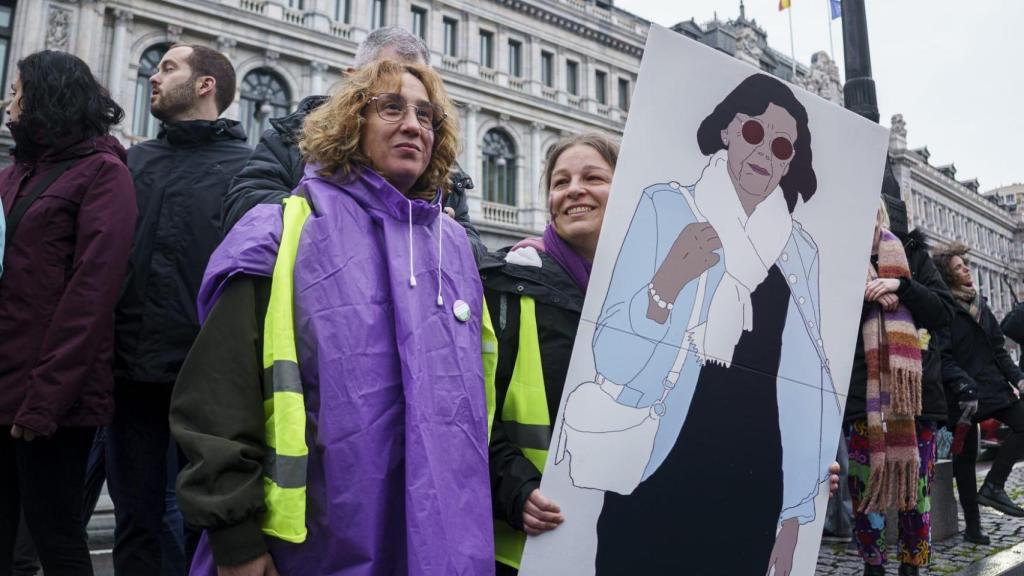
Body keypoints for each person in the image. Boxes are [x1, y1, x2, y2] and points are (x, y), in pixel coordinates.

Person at [171, 59, 493, 575]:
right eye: (391, 107)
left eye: (427, 116)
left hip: (439, 547)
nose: (413, 124)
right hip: (308, 549)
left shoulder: (456, 250)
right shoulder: (280, 228)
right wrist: (237, 540)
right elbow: (217, 396)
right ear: (350, 123)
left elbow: (476, 409)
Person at [485, 132, 841, 575]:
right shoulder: (505, 284)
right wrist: (515, 490)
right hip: (535, 543)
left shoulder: (703, 271)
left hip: (653, 518)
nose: (574, 189)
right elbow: (473, 417)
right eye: (560, 182)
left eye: (593, 177)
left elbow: (731, 407)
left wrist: (802, 474)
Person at [567, 73, 838, 575]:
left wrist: (799, 510)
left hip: (755, 479)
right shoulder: (664, 206)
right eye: (755, 133)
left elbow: (807, 387)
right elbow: (610, 355)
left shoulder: (801, 250)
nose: (766, 154)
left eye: (782, 146)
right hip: (656, 464)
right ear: (728, 130)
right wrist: (665, 284)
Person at [110, 43, 251, 574]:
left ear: (205, 84)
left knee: (207, 526)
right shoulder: (134, 161)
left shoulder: (247, 171)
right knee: (136, 522)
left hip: (211, 383)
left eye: (168, 68)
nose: (152, 76)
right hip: (129, 376)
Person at [0, 50, 136, 576]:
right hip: (6, 381)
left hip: (54, 399)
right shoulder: (14, 176)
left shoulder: (104, 174)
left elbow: (91, 295)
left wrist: (44, 401)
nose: (10, 102)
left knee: (54, 534)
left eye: (18, 91)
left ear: (48, 97)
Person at [221, 26, 483, 261]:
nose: (411, 124)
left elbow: (474, 247)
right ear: (352, 81)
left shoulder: (441, 167)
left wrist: (448, 236)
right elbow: (244, 208)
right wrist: (365, 215)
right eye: (384, 78)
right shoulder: (294, 138)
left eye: (417, 79)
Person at [842, 205, 952, 576]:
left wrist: (900, 286)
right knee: (866, 493)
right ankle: (873, 567)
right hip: (862, 397)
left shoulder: (912, 253)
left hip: (914, 398)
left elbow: (943, 312)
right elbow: (826, 324)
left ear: (880, 213)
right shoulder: (839, 259)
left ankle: (911, 568)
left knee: (916, 495)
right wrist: (865, 294)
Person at [933, 242, 1024, 543]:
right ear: (948, 276)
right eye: (959, 267)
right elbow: (942, 355)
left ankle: (994, 486)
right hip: (962, 395)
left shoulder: (980, 304)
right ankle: (973, 526)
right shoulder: (944, 308)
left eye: (966, 265)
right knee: (965, 459)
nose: (967, 270)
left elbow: (998, 348)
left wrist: (1019, 379)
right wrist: (961, 382)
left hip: (992, 386)